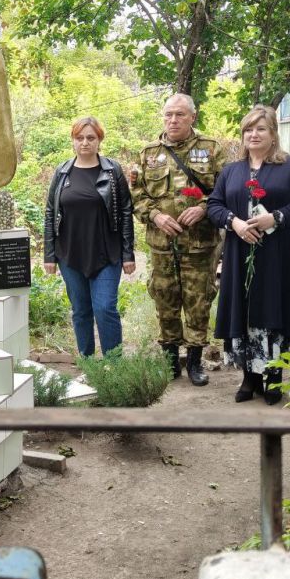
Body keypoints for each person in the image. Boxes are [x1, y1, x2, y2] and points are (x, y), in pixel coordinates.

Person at [207, 105, 290, 404]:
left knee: (273, 309)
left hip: (277, 256)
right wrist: (235, 222)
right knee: (244, 310)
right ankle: (249, 378)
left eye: (260, 129)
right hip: (239, 253)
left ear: (273, 134)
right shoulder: (232, 171)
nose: (253, 135)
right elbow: (214, 205)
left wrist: (276, 217)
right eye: (248, 129)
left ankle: (274, 378)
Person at [131, 93, 225, 385]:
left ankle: (195, 362)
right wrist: (156, 215)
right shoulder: (147, 154)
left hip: (199, 244)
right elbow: (136, 195)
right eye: (169, 114)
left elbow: (226, 191)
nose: (173, 120)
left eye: (180, 115)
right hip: (162, 245)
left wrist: (203, 209)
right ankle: (171, 361)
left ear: (192, 117)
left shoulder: (211, 150)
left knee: (198, 302)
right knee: (165, 299)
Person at [44, 117, 135, 357]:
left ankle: (114, 368)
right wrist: (49, 255)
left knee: (105, 308)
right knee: (81, 310)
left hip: (107, 253)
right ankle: (88, 363)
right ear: (73, 141)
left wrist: (128, 253)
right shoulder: (62, 172)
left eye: (90, 138)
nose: (85, 143)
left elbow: (126, 211)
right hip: (70, 254)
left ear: (99, 140)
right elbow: (50, 213)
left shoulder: (112, 171)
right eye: (79, 138)